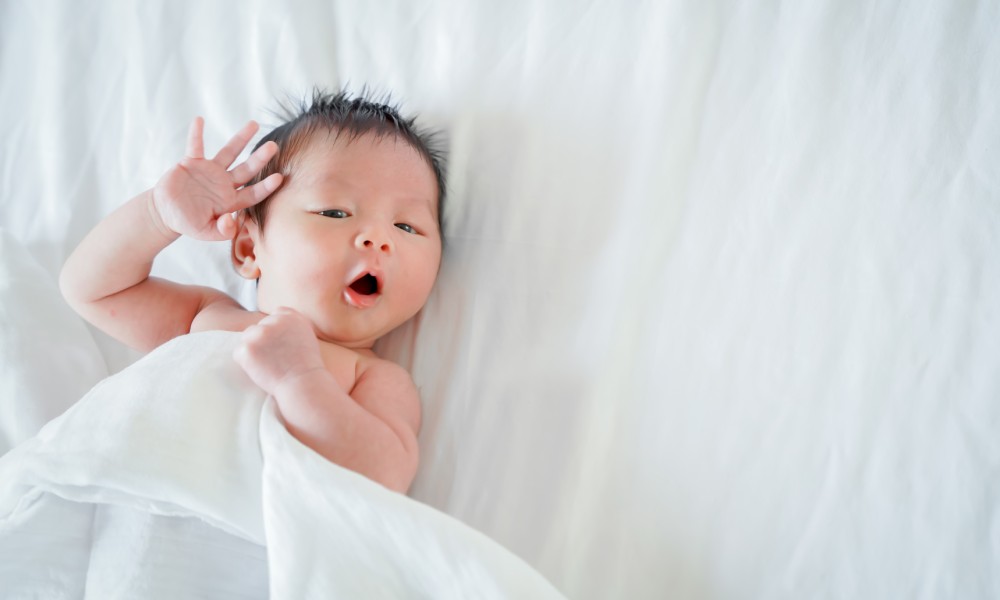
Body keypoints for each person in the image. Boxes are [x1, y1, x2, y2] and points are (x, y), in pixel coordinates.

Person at [59, 90, 445, 494]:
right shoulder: (206, 317)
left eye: (407, 227)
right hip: (116, 491)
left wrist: (300, 379)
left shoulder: (375, 378)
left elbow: (384, 474)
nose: (378, 239)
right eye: (335, 212)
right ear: (248, 248)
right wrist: (157, 215)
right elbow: (91, 290)